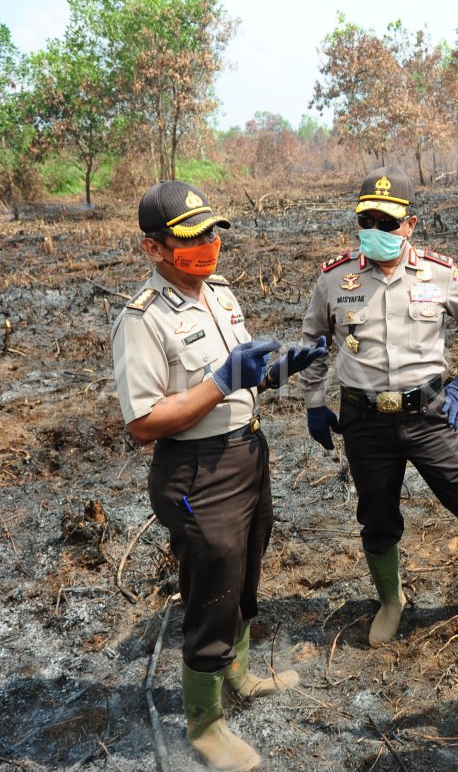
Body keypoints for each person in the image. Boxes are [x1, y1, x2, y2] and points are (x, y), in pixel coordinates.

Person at [111, 181, 325, 772]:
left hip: (246, 455)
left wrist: (281, 369)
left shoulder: (220, 295)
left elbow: (242, 373)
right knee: (212, 584)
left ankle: (240, 672)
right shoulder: (143, 320)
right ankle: (205, 725)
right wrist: (222, 381)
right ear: (154, 249)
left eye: (211, 232)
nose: (207, 245)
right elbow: (145, 422)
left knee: (247, 565)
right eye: (189, 238)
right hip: (194, 472)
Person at [296, 165, 458, 647]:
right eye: (367, 219)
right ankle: (391, 601)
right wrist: (314, 403)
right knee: (376, 517)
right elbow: (312, 342)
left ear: (409, 225)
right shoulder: (335, 278)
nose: (376, 230)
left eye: (387, 222)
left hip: (429, 415)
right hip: (365, 421)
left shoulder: (438, 272)